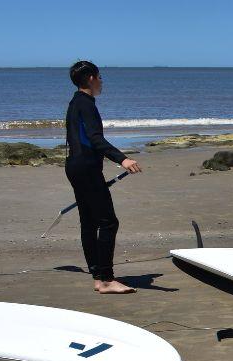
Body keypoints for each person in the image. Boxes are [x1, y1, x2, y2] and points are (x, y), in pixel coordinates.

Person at [64, 61, 141, 294]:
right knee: (108, 222)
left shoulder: (75, 103)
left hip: (74, 166)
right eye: (100, 77)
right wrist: (122, 159)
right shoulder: (85, 104)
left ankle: (98, 277)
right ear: (90, 78)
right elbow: (95, 138)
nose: (101, 81)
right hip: (86, 168)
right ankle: (106, 279)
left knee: (89, 222)